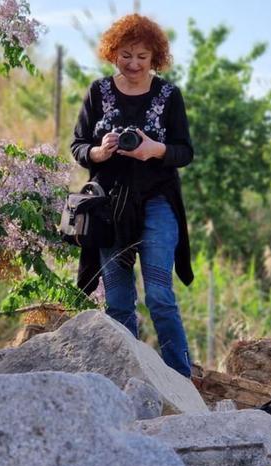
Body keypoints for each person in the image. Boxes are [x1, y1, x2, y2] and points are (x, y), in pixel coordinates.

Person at [70, 13, 195, 378]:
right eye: (126, 55)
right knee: (119, 301)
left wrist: (154, 149)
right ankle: (128, 376)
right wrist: (99, 151)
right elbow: (78, 146)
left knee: (159, 295)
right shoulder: (98, 91)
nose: (134, 64)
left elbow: (184, 152)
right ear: (113, 53)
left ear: (155, 56)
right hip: (110, 209)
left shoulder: (169, 95)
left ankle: (179, 377)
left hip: (158, 201)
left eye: (142, 56)